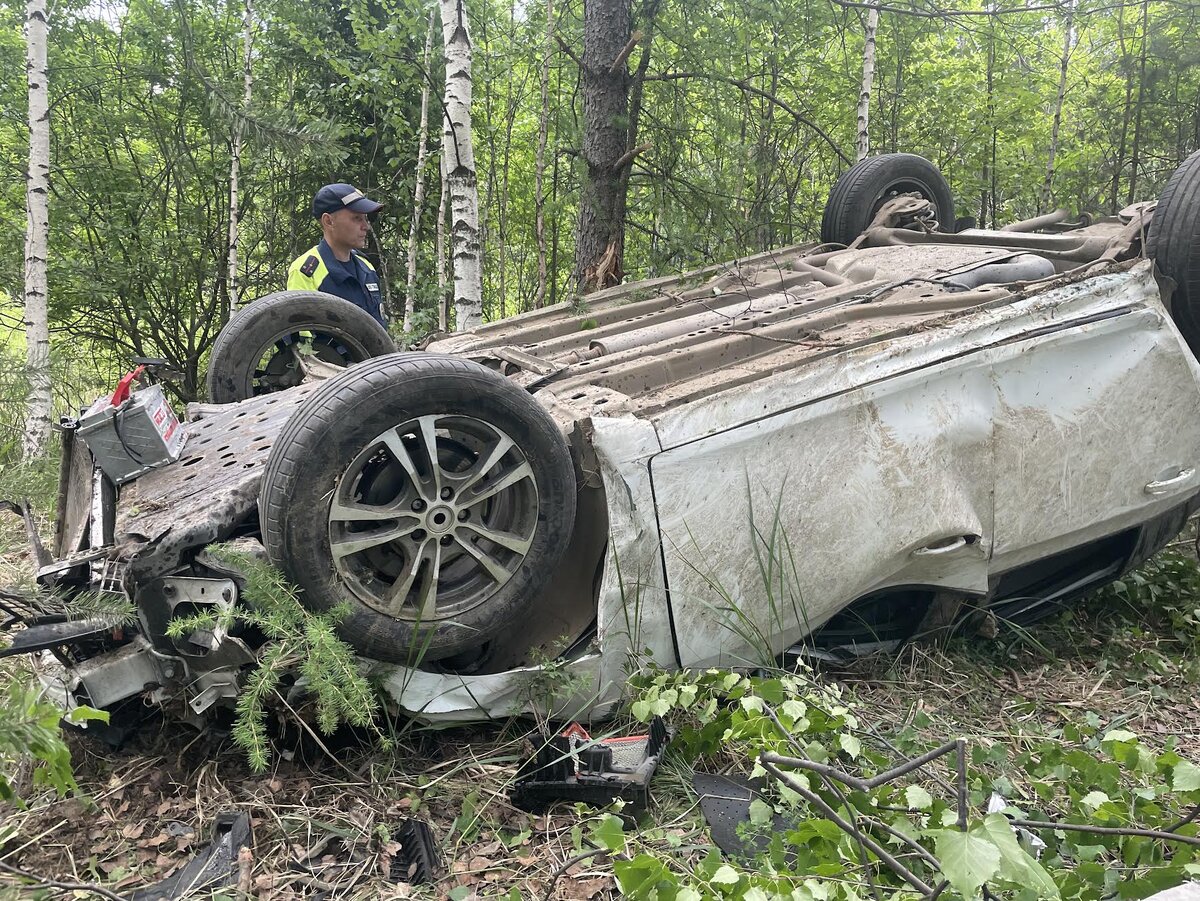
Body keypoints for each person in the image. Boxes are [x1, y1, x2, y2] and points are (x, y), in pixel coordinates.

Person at [287, 183, 386, 326]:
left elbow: (379, 331)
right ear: (328, 221)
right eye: (357, 218)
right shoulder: (306, 272)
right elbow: (300, 340)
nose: (366, 226)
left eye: (365, 218)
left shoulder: (367, 268)